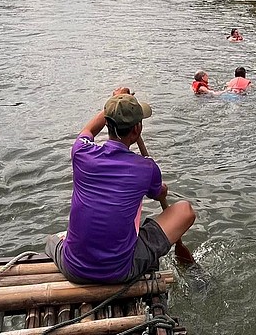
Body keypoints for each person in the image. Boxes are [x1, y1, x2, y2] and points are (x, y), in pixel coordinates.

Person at [46, 87, 196, 284]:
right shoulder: (146, 168)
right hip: (119, 272)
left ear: (108, 124)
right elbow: (159, 193)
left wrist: (113, 100)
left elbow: (89, 130)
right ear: (137, 129)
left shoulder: (81, 152)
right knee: (185, 209)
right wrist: (162, 189)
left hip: (74, 269)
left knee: (51, 241)